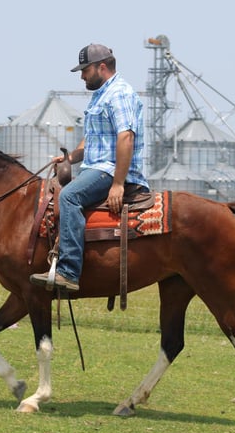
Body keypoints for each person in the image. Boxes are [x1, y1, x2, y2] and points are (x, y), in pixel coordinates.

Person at [30, 43, 149, 292]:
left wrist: (118, 183)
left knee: (70, 197)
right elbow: (94, 138)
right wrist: (69, 158)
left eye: (85, 70)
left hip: (110, 170)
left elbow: (125, 137)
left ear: (101, 67)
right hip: (96, 168)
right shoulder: (101, 95)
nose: (82, 76)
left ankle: (68, 272)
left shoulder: (120, 93)